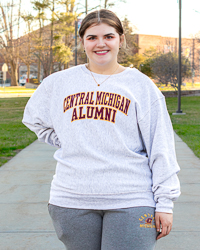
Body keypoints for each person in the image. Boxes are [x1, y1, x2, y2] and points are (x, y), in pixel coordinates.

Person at [22, 9, 180, 250]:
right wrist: (69, 139)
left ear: (120, 39)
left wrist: (165, 203)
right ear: (82, 42)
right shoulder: (59, 82)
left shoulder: (140, 85)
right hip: (71, 199)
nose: (100, 44)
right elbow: (34, 119)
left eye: (108, 36)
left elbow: (161, 146)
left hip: (132, 199)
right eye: (92, 37)